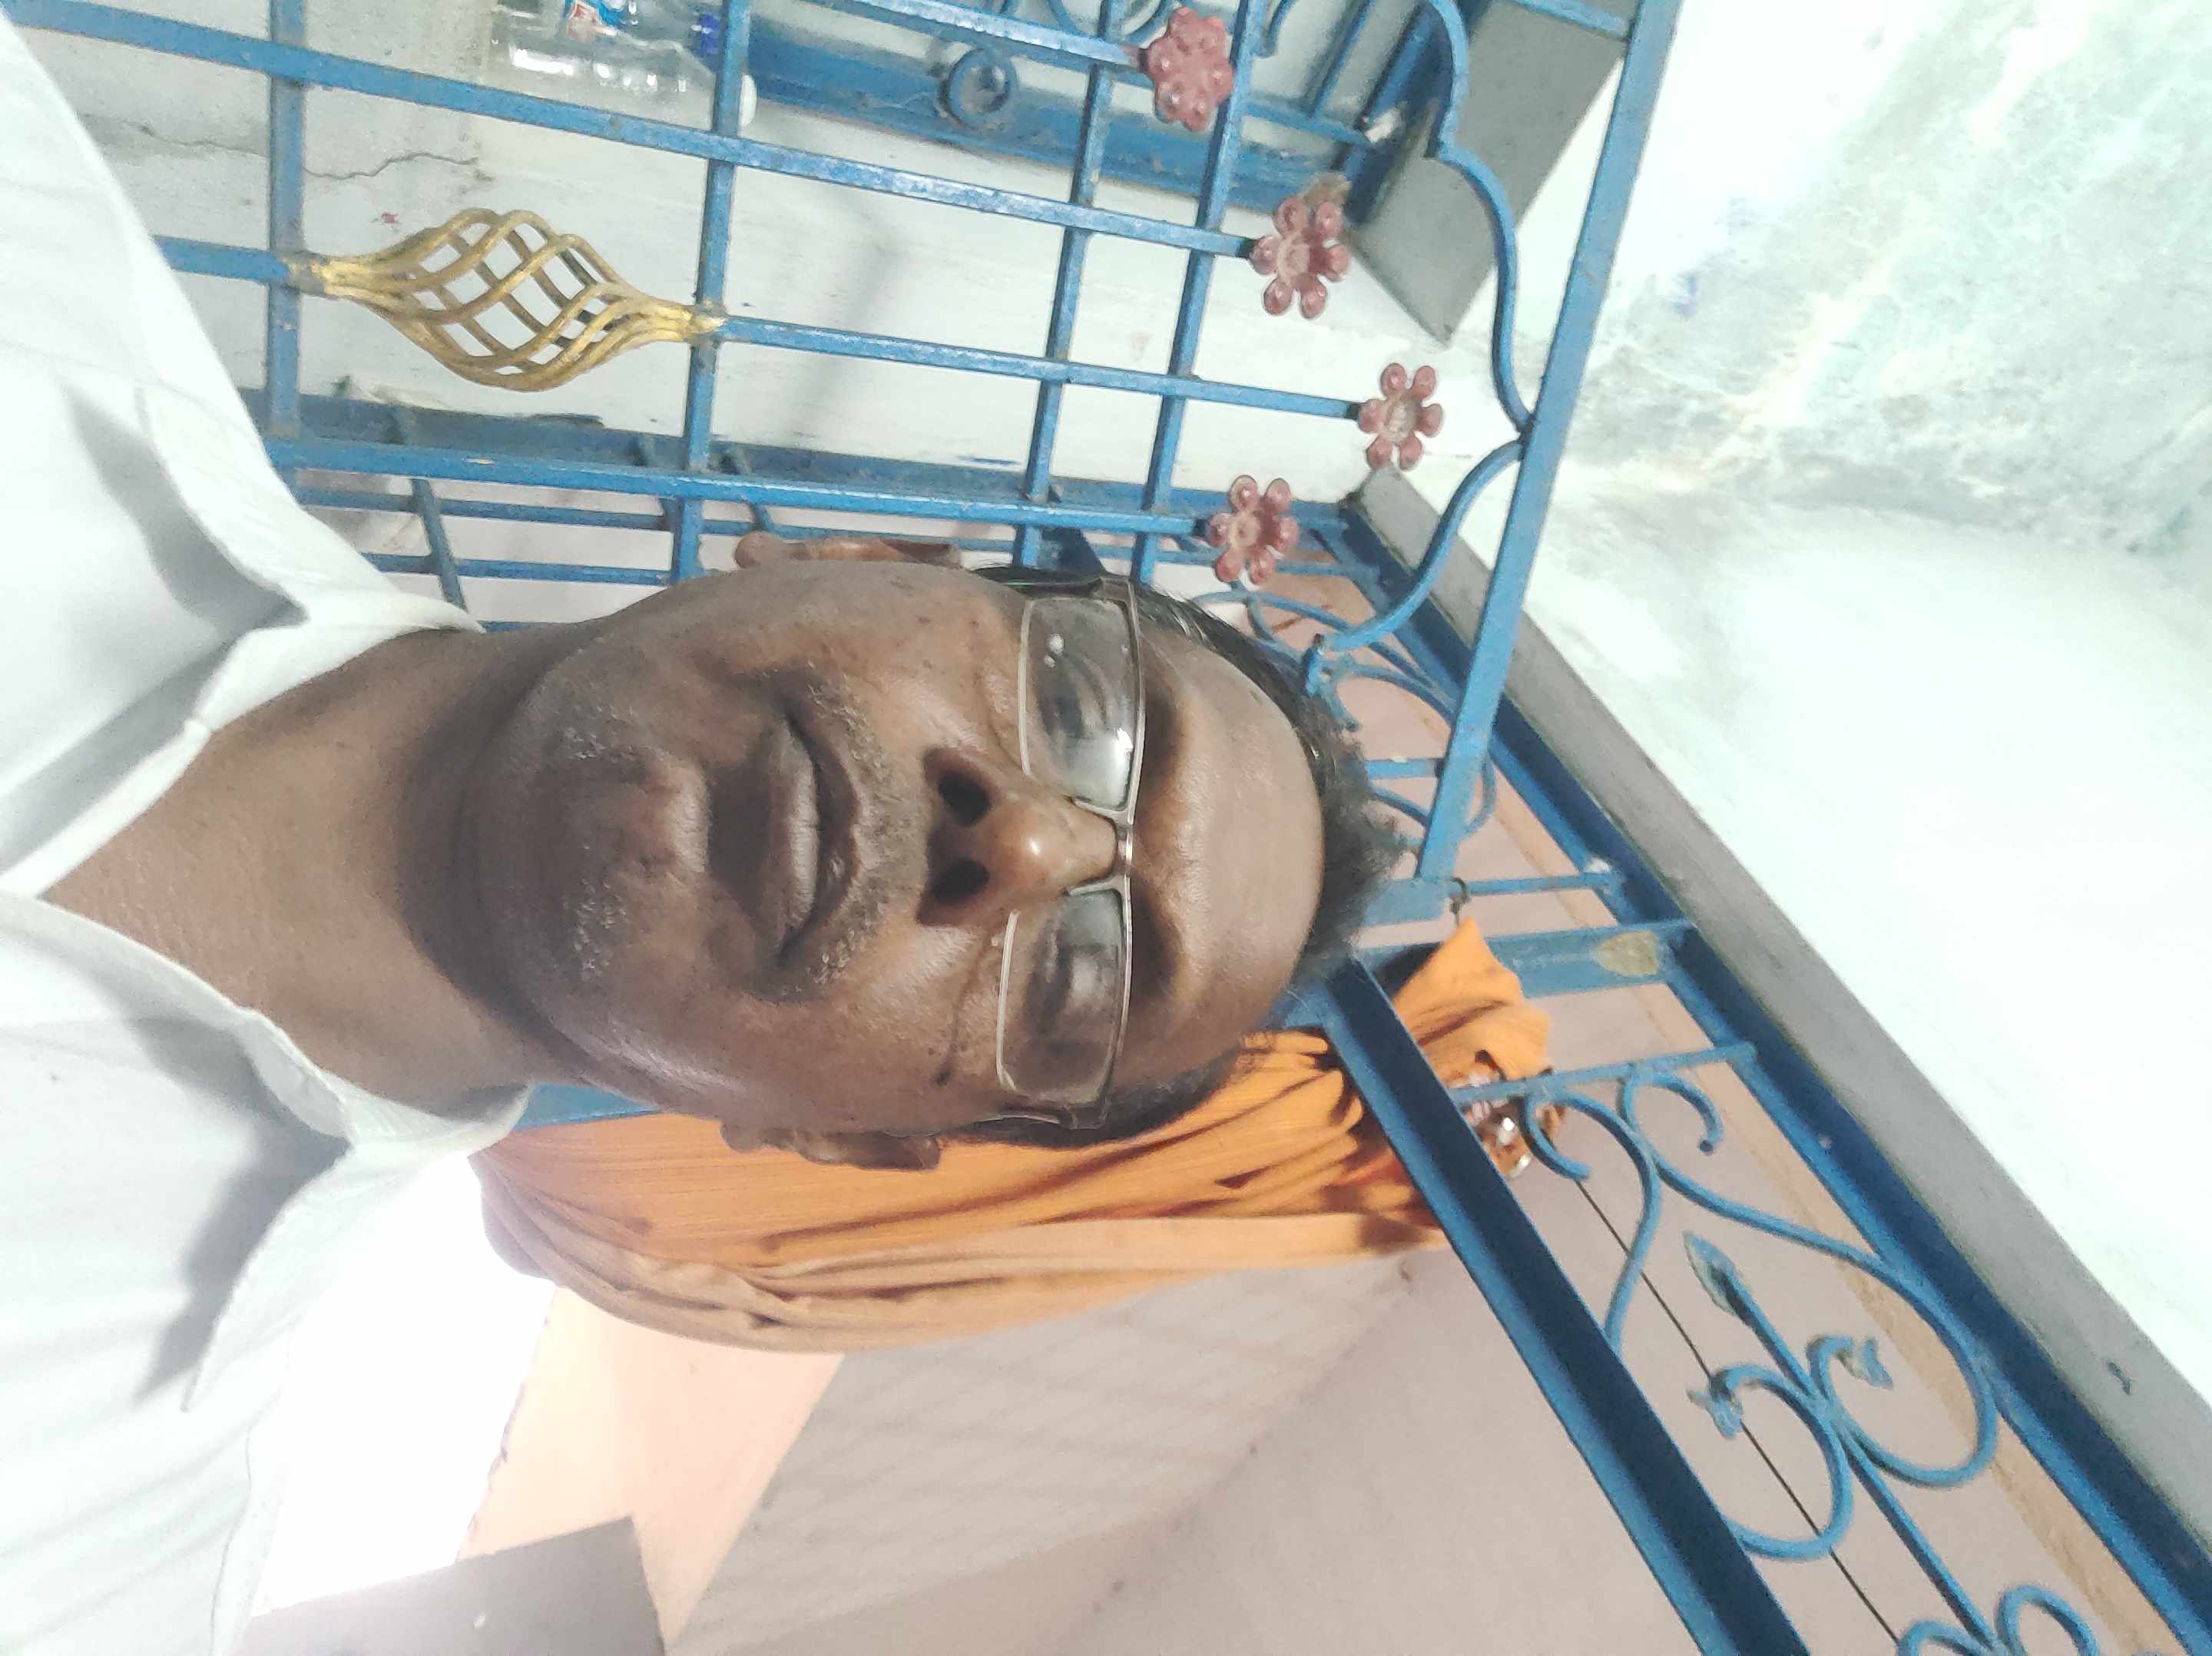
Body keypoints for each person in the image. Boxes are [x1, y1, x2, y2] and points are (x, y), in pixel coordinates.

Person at [0, 15, 1392, 1654]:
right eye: (1079, 705)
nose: (1021, 847)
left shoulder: (88, 1540)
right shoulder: (35, 277)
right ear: (857, 556)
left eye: (1080, 978)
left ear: (843, 1139)